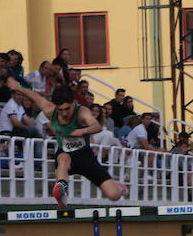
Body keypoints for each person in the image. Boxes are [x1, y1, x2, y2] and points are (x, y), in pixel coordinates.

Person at [7, 77, 128, 205]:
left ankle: (118, 187)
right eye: (60, 110)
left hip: (84, 156)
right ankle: (61, 191)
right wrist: (18, 87)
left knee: (113, 195)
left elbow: (96, 126)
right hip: (64, 153)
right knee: (64, 158)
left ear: (74, 103)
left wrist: (82, 131)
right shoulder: (50, 110)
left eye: (67, 109)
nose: (64, 114)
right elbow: (35, 97)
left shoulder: (82, 112)